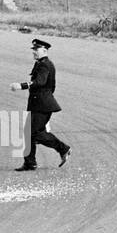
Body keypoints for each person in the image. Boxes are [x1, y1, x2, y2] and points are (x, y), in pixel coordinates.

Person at [10, 39, 70, 171]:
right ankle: (29, 163)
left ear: (44, 50)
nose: (33, 52)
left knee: (35, 133)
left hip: (42, 105)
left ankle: (63, 148)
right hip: (39, 103)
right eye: (33, 50)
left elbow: (40, 82)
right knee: (29, 133)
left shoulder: (45, 65)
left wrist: (21, 86)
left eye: (36, 50)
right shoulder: (41, 64)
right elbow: (51, 86)